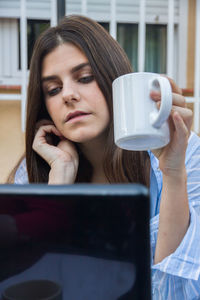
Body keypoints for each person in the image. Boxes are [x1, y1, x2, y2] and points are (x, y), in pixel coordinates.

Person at [7, 15, 200, 299]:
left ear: (115, 80)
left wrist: (173, 173)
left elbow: (180, 293)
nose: (68, 95)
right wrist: (59, 182)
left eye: (85, 78)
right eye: (54, 89)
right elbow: (38, 288)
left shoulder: (186, 154)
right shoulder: (37, 169)